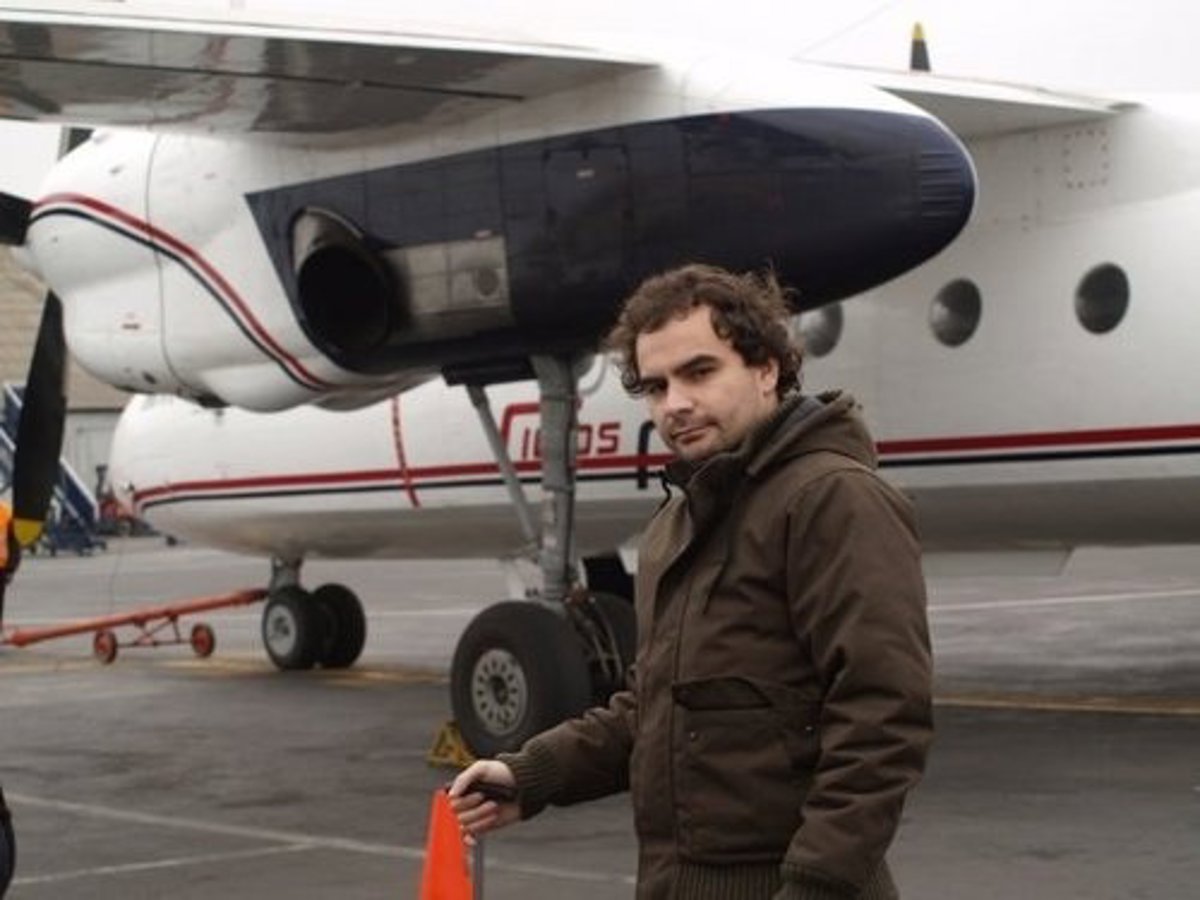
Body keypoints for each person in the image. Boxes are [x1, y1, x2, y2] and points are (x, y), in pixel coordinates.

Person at [450, 264, 933, 899]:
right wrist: (533, 774)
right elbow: (656, 706)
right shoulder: (680, 520)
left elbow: (882, 717)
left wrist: (817, 886)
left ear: (766, 369)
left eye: (699, 372)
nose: (674, 404)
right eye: (656, 386)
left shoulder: (832, 499)